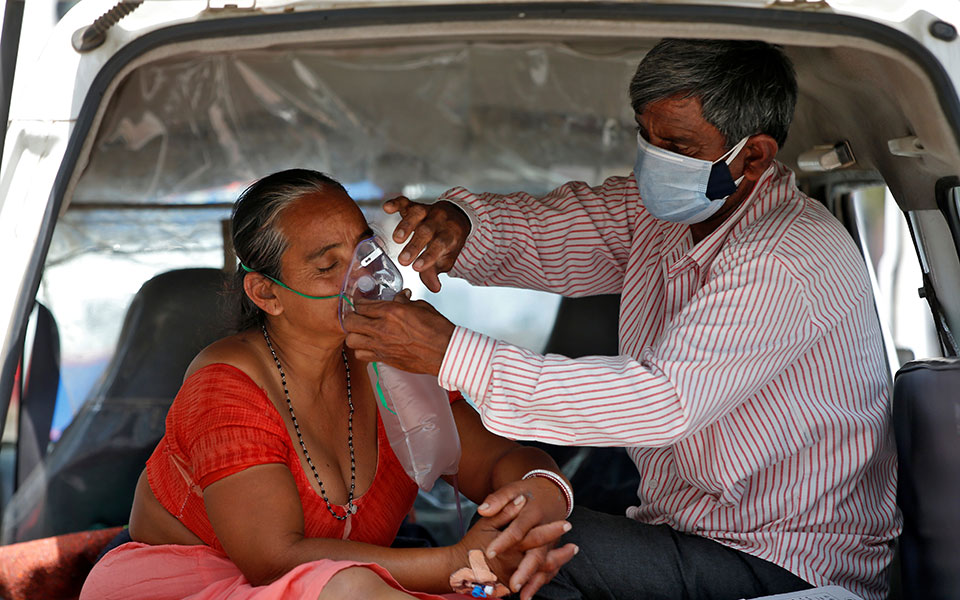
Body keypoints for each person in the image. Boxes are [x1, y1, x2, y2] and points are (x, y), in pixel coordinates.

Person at [341, 39, 900, 600]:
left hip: (786, 554)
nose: (653, 158)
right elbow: (548, 233)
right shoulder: (667, 214)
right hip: (690, 529)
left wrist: (451, 354)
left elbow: (662, 402)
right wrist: (462, 226)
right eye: (646, 135)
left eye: (677, 145)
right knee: (531, 541)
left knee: (544, 552)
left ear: (752, 157)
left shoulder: (785, 255)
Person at [80, 169, 578, 600]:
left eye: (365, 249)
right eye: (327, 266)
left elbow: (497, 460)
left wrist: (537, 497)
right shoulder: (225, 385)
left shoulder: (394, 359)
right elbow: (274, 560)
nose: (364, 275)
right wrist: (461, 562)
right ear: (267, 293)